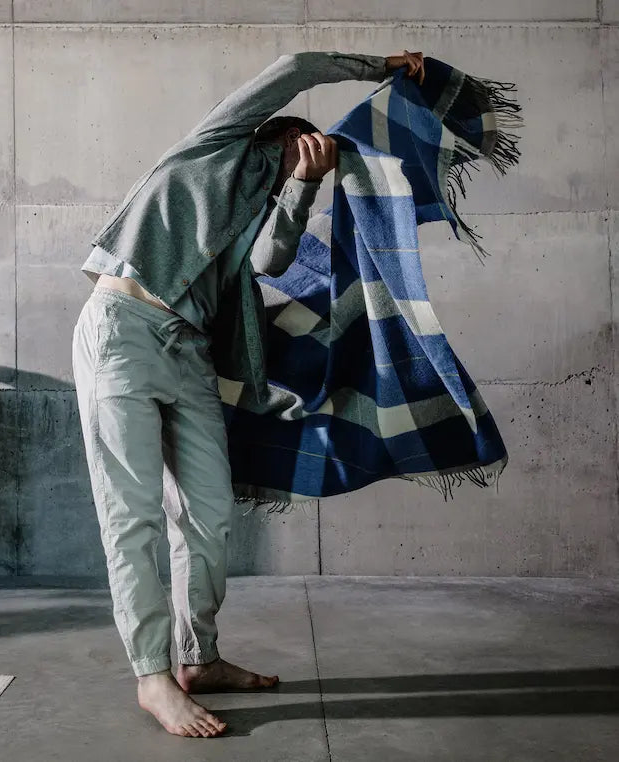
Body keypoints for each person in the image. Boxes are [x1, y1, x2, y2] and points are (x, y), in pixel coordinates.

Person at [72, 49, 425, 739]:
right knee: (133, 518)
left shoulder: (268, 199)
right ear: (268, 131)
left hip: (191, 352)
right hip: (124, 330)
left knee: (209, 516)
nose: (304, 152)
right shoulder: (215, 145)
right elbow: (296, 65)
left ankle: (198, 659)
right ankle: (152, 676)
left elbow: (269, 261)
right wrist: (377, 65)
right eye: (296, 144)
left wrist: (301, 187)